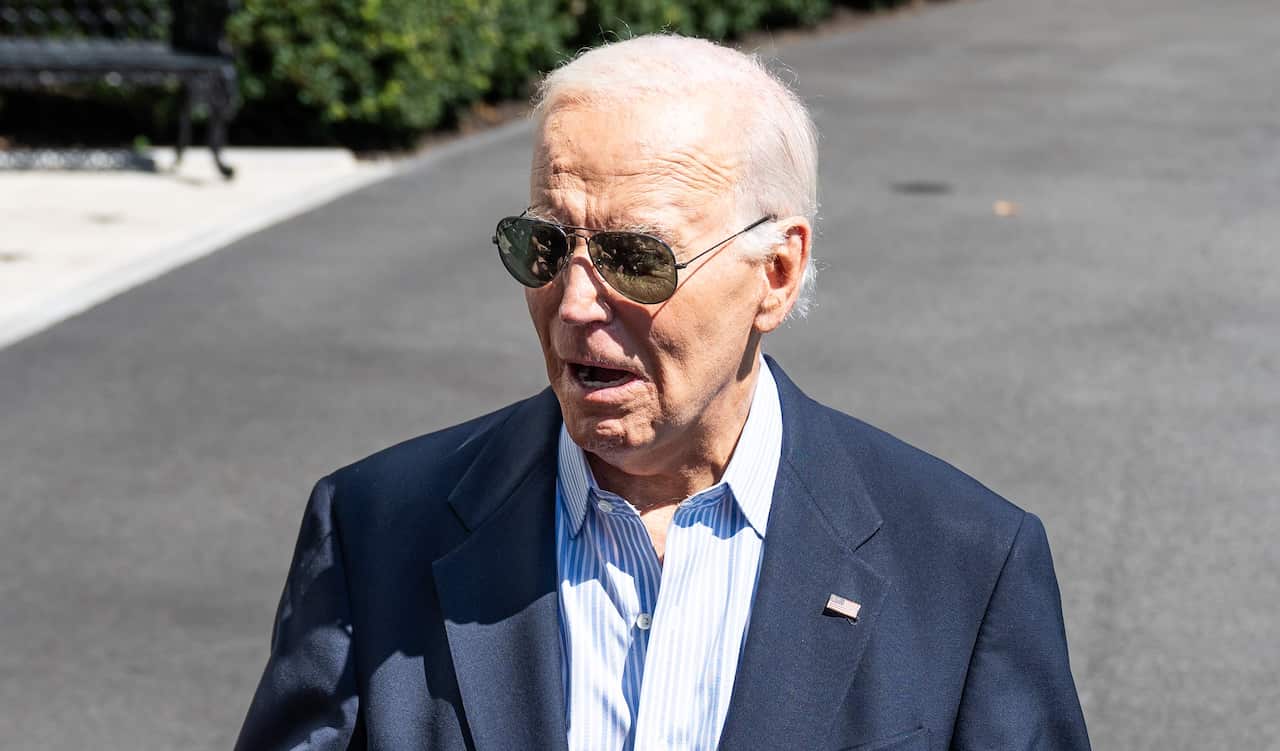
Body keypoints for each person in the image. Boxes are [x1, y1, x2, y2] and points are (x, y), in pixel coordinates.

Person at [235, 34, 1090, 751]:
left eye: (635, 259)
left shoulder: (965, 566)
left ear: (777, 274)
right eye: (544, 246)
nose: (572, 303)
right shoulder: (374, 529)